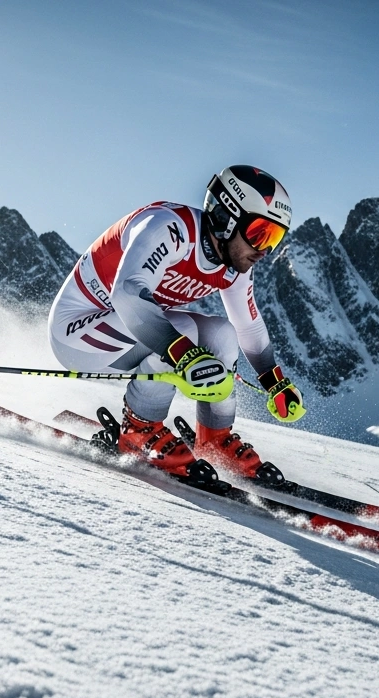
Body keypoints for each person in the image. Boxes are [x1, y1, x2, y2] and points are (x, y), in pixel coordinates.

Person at [46, 165, 305, 478]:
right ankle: (138, 429)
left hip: (131, 330)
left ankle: (214, 438)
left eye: (274, 238)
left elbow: (246, 325)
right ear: (226, 217)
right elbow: (128, 296)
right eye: (259, 233)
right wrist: (184, 353)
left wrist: (273, 379)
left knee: (222, 333)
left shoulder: (235, 263)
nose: (264, 251)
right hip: (77, 332)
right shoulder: (167, 228)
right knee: (182, 331)